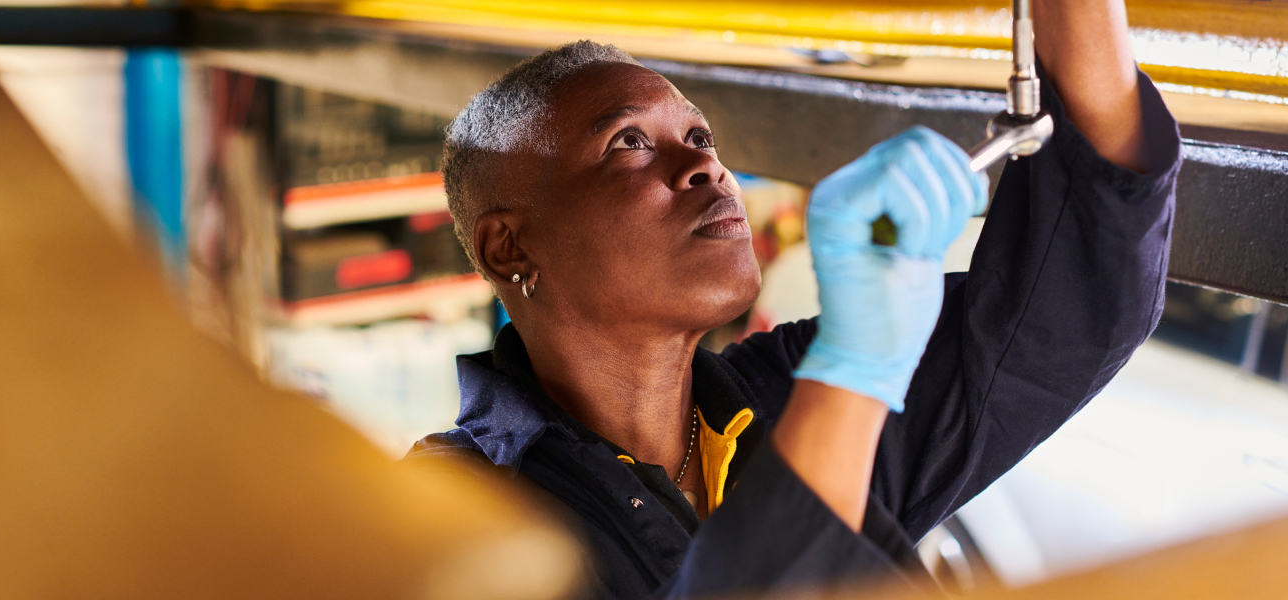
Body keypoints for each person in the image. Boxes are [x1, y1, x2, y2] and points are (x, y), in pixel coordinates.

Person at [404, 0, 1182, 595]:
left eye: (701, 138)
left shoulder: (778, 397)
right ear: (512, 248)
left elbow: (1072, 309)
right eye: (628, 143)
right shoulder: (441, 514)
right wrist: (853, 371)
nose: (703, 167)